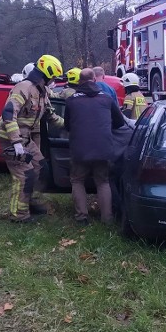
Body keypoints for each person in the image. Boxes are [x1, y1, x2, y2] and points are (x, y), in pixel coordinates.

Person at [0, 54, 64, 223]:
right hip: (11, 139)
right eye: (53, 77)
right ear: (46, 75)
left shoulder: (42, 92)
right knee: (24, 175)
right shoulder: (23, 87)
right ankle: (19, 215)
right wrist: (16, 142)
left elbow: (50, 116)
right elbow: (9, 114)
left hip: (26, 139)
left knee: (41, 168)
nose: (54, 80)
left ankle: (29, 201)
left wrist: (71, 125)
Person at [65, 68, 127, 225]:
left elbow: (67, 125)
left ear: (79, 81)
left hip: (80, 150)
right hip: (103, 148)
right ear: (94, 79)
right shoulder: (106, 98)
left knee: (77, 181)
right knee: (103, 182)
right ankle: (107, 218)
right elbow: (119, 122)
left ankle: (81, 217)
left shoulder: (72, 100)